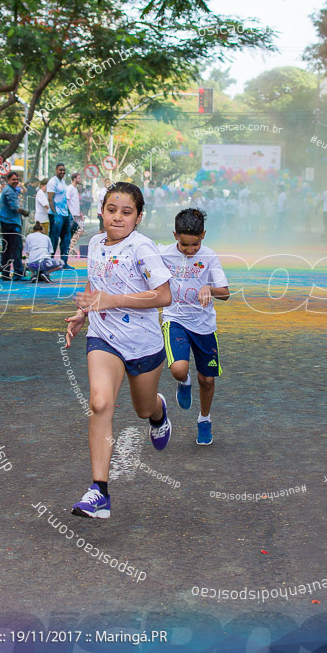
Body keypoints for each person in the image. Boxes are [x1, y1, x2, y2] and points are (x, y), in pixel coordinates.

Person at [63, 182, 173, 519]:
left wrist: (112, 300)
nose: (118, 217)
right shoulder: (95, 243)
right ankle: (100, 491)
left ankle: (158, 412)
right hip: (103, 336)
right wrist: (83, 312)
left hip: (143, 343)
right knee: (99, 403)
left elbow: (164, 295)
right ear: (102, 211)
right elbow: (96, 282)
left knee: (143, 409)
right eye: (112, 210)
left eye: (127, 212)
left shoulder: (144, 249)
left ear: (138, 217)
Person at [158, 208, 230, 446]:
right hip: (174, 319)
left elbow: (226, 293)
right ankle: (184, 382)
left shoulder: (209, 256)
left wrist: (209, 289)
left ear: (204, 235)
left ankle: (204, 420)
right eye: (185, 244)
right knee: (178, 369)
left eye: (195, 245)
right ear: (175, 235)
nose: (190, 250)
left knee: (207, 380)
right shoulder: (162, 253)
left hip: (204, 324)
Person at [0, 171, 29, 281]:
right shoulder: (9, 191)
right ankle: (18, 273)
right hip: (11, 223)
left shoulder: (11, 190)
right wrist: (25, 212)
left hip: (8, 222)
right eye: (13, 179)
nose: (16, 181)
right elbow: (14, 207)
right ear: (8, 180)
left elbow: (23, 191)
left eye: (17, 179)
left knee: (8, 249)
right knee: (16, 248)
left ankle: (6, 273)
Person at [46, 163, 71, 262]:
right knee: (54, 239)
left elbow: (64, 199)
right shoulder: (52, 182)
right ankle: (50, 261)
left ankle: (64, 262)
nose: (62, 172)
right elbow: (50, 199)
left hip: (65, 215)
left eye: (64, 170)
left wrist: (68, 213)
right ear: (56, 170)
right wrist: (55, 215)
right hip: (56, 215)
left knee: (66, 239)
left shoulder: (63, 182)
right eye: (60, 170)